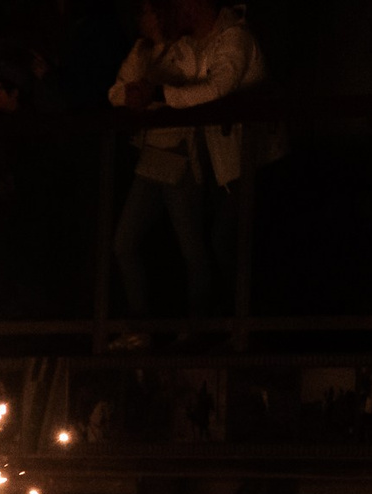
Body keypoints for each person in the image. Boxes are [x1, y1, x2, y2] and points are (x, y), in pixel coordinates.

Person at [120, 0, 284, 326]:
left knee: (229, 244)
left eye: (176, 6)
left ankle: (244, 328)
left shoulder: (234, 39)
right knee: (222, 244)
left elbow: (218, 87)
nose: (171, 15)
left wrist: (158, 95)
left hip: (253, 161)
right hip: (225, 164)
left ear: (193, 7)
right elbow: (188, 83)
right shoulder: (195, 46)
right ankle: (231, 326)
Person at [108, 0, 205, 346]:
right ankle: (141, 325)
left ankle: (196, 324)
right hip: (150, 156)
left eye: (147, 10)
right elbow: (117, 92)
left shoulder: (187, 48)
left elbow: (191, 91)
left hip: (177, 152)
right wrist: (136, 95)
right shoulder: (142, 51)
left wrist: (152, 94)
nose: (141, 17)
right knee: (124, 241)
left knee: (191, 246)